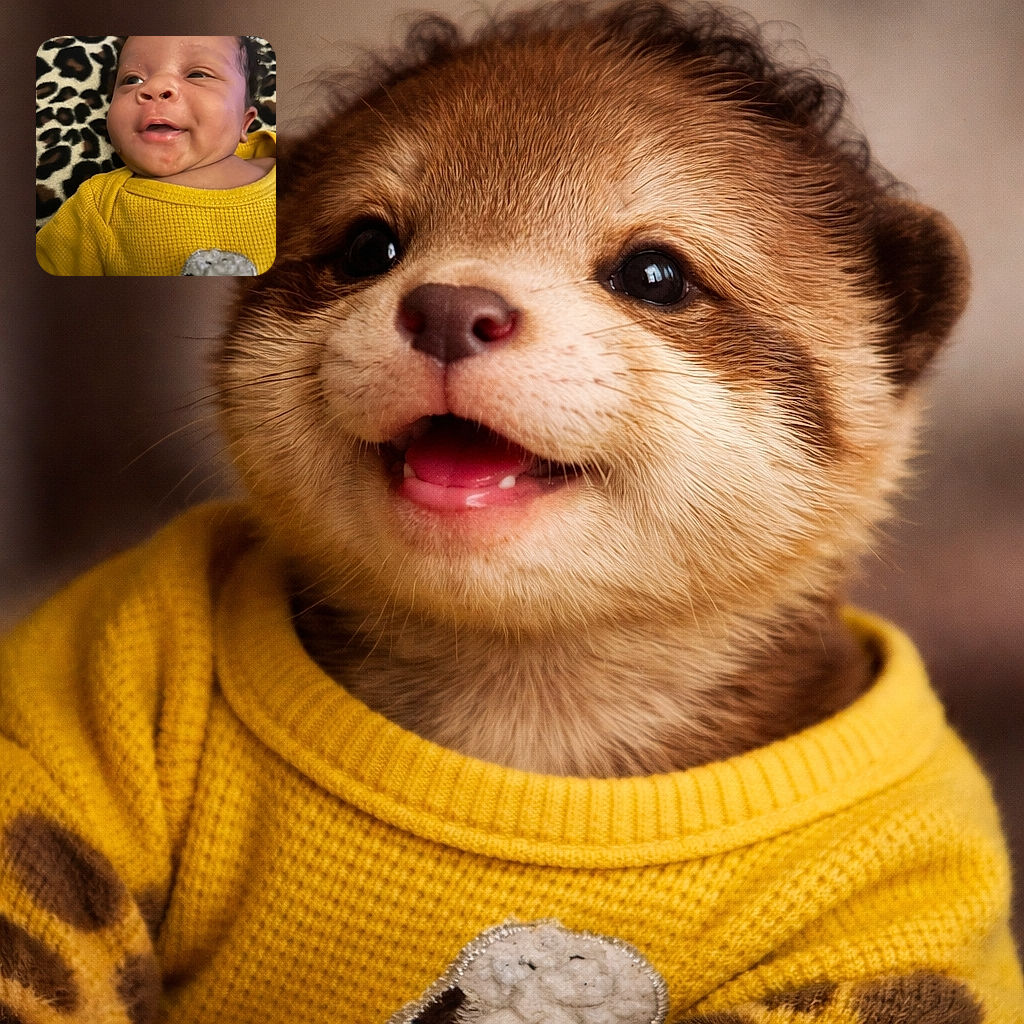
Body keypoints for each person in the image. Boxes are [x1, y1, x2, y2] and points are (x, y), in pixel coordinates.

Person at [36, 35, 275, 276]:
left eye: (197, 74)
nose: (154, 87)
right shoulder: (97, 205)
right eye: (132, 79)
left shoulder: (297, 170)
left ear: (244, 123)